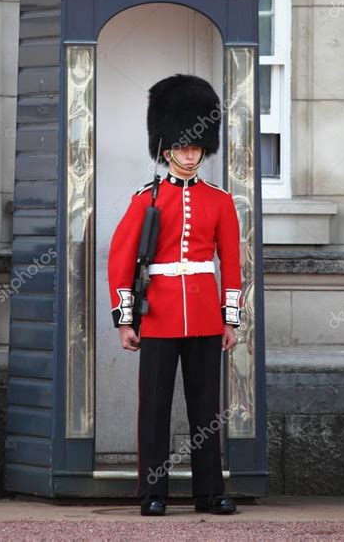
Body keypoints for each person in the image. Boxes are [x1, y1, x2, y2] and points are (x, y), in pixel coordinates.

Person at [107, 74, 244, 516]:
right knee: (155, 408)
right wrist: (126, 319)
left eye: (196, 146)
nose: (189, 153)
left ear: (204, 147)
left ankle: (209, 491)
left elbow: (232, 265)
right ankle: (152, 492)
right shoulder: (146, 199)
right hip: (161, 314)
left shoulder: (220, 201)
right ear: (166, 148)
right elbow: (120, 261)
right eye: (182, 146)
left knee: (207, 408)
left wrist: (230, 319)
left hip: (205, 314)